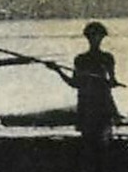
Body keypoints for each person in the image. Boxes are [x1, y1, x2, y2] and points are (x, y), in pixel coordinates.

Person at [48, 21, 121, 149]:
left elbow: (112, 82)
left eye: (98, 36)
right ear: (87, 37)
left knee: (104, 142)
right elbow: (74, 83)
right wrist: (58, 71)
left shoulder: (107, 58)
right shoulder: (80, 60)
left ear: (102, 37)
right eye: (92, 36)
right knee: (88, 143)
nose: (95, 39)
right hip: (86, 105)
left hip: (103, 104)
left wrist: (111, 82)